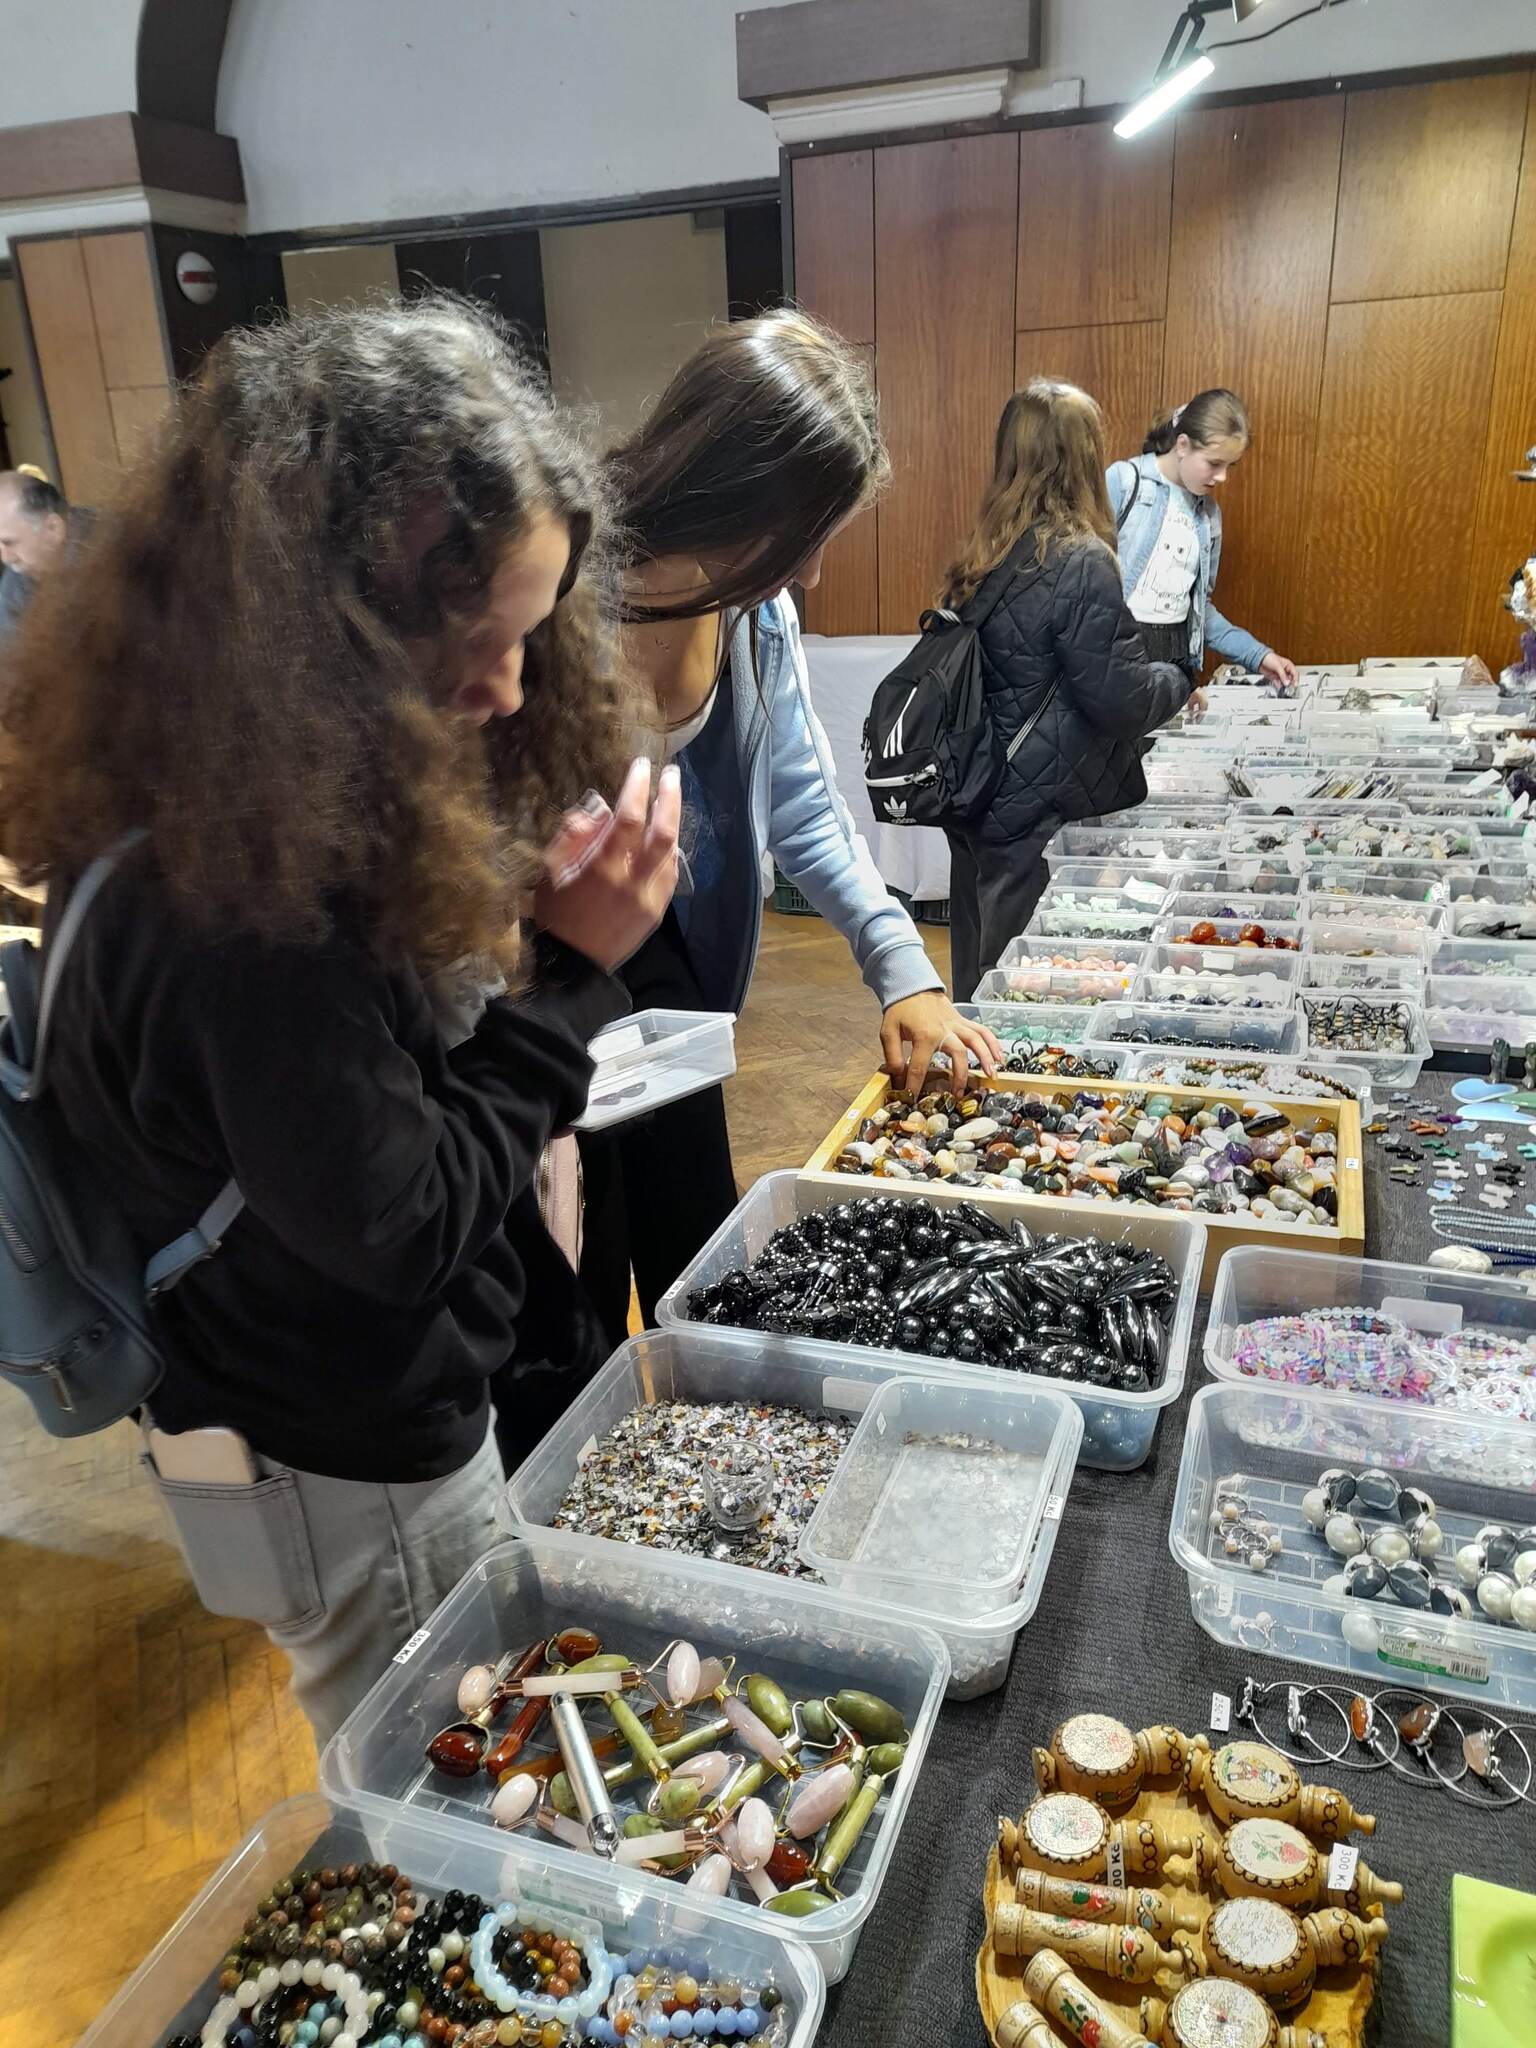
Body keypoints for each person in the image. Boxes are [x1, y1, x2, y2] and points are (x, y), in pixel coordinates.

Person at [0, 298, 680, 1744]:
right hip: (348, 1452)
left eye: (530, 634)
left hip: (278, 1409)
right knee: (433, 1767)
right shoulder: (246, 908)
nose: (509, 689)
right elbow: (403, 1224)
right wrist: (571, 979)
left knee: (428, 1738)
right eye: (467, 647)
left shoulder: (197, 785)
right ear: (317, 643)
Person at [577, 309, 1000, 1343]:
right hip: (545, 1007)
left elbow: (806, 806)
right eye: (802, 540)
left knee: (696, 1274)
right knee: (573, 1299)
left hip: (676, 991)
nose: (811, 574)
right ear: (732, 495)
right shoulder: (562, 594)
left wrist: (903, 965)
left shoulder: (756, 613)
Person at [938, 380, 1196, 1000]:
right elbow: (1124, 700)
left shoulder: (984, 552)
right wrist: (1180, 676)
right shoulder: (1081, 560)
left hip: (977, 792)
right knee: (1020, 992)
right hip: (1038, 811)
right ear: (1084, 458)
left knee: (978, 980)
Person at [1107, 389, 1297, 692]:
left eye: (1230, 466)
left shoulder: (1208, 515)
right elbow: (1078, 585)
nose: (1222, 477)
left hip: (1175, 659)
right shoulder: (1125, 481)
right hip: (1115, 654)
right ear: (1183, 445)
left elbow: (1200, 611)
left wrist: (1258, 655)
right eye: (1214, 463)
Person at [0, 468, 93, 640]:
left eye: (9, 543)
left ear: (53, 529)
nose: (5, 558)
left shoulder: (121, 544)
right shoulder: (14, 588)